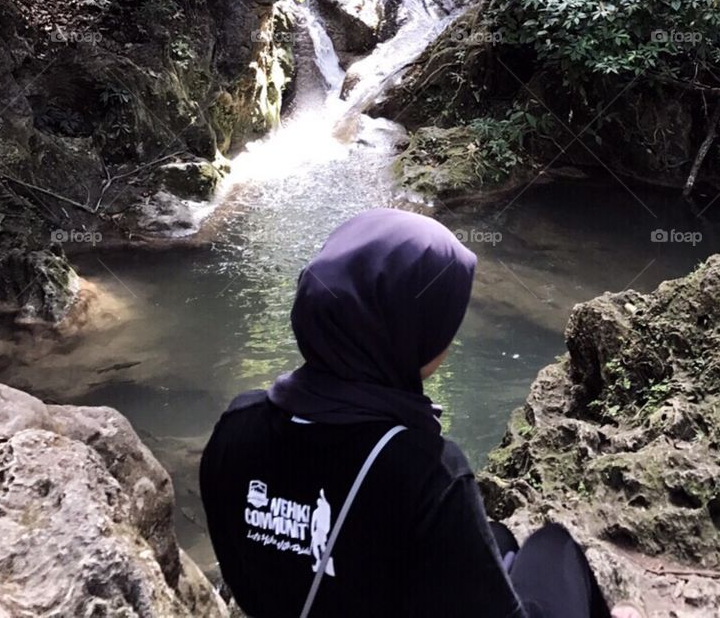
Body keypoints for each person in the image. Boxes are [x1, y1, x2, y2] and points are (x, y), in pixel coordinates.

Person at [200, 207, 642, 618]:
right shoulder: (426, 469)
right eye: (442, 315)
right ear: (405, 332)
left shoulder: (235, 426)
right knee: (554, 546)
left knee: (499, 537)